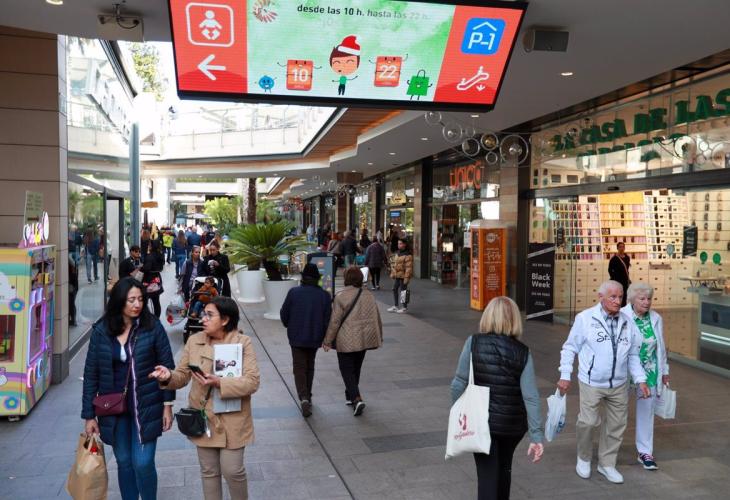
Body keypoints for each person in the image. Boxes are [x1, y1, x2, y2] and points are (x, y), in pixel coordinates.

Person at [149, 297, 260, 500]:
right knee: (209, 471)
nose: (203, 319)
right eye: (203, 314)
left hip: (233, 419)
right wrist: (168, 376)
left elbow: (252, 382)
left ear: (225, 319)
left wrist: (220, 382)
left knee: (233, 471)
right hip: (204, 417)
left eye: (209, 315)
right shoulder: (194, 341)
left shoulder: (242, 342)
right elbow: (182, 375)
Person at [81, 277, 175, 500]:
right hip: (113, 408)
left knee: (143, 462)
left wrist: (167, 404)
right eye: (131, 300)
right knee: (123, 461)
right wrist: (89, 416)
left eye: (140, 299)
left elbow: (167, 368)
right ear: (119, 301)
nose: (137, 304)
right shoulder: (102, 331)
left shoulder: (152, 326)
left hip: (147, 404)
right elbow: (91, 374)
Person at [451, 296, 544, 500]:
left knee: (487, 475)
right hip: (512, 426)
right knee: (504, 469)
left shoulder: (473, 342)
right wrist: (536, 436)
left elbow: (458, 383)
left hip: (481, 423)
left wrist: (458, 413)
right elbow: (531, 397)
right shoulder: (523, 352)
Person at [557, 280, 649, 484]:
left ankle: (607, 464)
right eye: (613, 297)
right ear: (601, 297)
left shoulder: (628, 322)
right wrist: (565, 374)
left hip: (619, 384)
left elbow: (633, 354)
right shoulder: (585, 318)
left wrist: (641, 379)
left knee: (616, 425)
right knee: (588, 422)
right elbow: (570, 347)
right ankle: (583, 458)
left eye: (620, 297)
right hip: (592, 382)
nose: (618, 301)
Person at [322, 266, 383, 416]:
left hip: (346, 338)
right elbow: (377, 317)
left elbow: (335, 321)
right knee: (356, 368)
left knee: (346, 369)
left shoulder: (341, 296)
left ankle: (356, 398)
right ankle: (350, 396)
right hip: (364, 338)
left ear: (346, 278)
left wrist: (327, 341)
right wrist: (379, 336)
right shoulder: (368, 295)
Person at [621, 283, 669, 471]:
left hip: (650, 372)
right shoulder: (622, 315)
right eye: (642, 299)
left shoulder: (656, 318)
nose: (647, 302)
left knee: (646, 413)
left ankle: (645, 452)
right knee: (617, 413)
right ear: (632, 299)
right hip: (625, 372)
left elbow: (661, 347)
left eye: (649, 298)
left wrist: (664, 371)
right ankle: (609, 450)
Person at [279, 263, 332, 417]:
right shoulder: (324, 295)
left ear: (303, 277)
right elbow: (327, 319)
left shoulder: (294, 292)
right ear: (317, 278)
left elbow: (284, 313)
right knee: (310, 365)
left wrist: (288, 324)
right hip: (315, 336)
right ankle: (307, 395)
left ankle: (304, 397)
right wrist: (325, 337)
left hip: (296, 336)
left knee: (299, 367)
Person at [389, 239, 413, 313]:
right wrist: (393, 273)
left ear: (404, 244)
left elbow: (409, 268)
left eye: (400, 243)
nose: (398, 245)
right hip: (398, 275)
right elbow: (395, 264)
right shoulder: (398, 253)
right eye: (398, 243)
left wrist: (406, 277)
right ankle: (396, 306)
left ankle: (404, 307)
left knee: (403, 291)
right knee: (394, 289)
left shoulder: (408, 254)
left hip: (403, 276)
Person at [143, 239, 165, 318]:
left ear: (152, 246)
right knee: (156, 302)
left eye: (149, 245)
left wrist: (141, 268)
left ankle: (146, 318)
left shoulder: (149, 256)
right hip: (157, 278)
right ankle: (156, 318)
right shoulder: (160, 255)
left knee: (144, 301)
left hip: (148, 280)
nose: (148, 246)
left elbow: (147, 268)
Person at [608, 242, 631, 306]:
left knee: (624, 296)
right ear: (617, 248)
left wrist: (628, 278)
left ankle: (623, 309)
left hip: (625, 280)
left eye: (623, 247)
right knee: (617, 295)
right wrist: (614, 278)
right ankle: (616, 308)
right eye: (620, 247)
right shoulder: (614, 258)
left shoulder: (627, 257)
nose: (622, 248)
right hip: (617, 280)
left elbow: (627, 269)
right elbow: (610, 270)